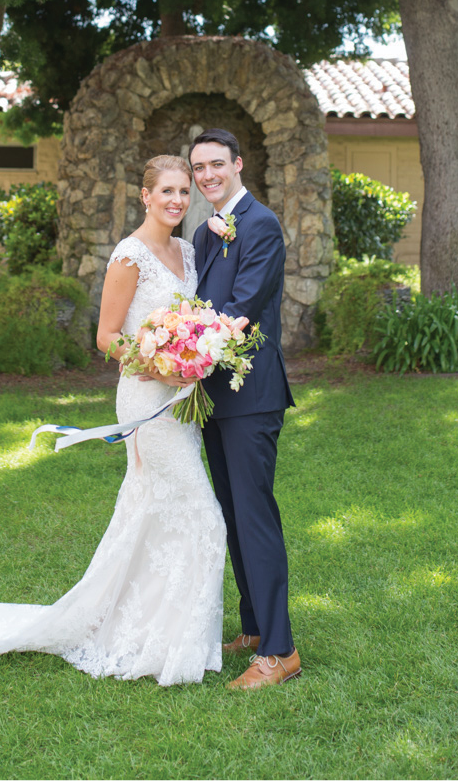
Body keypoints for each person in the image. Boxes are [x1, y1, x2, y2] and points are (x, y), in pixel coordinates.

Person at [0, 155, 227, 686]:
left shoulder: (188, 252)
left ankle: (155, 630)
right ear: (144, 196)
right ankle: (170, 641)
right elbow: (106, 337)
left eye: (184, 192)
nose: (176, 201)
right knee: (203, 515)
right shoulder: (130, 256)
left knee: (154, 512)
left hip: (182, 403)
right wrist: (162, 360)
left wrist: (191, 358)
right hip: (147, 398)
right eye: (166, 191)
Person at [190, 127, 301, 690]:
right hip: (212, 394)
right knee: (232, 514)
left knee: (255, 517)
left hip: (250, 395)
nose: (207, 175)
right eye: (198, 169)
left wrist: (182, 344)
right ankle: (254, 627)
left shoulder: (260, 225)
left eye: (215, 164)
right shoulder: (207, 233)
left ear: (237, 164)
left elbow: (241, 309)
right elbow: (199, 301)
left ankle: (280, 652)